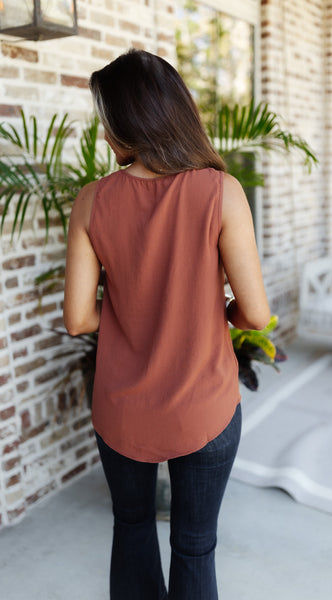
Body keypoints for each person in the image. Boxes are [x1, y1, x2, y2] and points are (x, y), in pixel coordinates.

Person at [63, 48, 270, 600]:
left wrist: (135, 312)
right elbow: (255, 313)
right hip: (205, 403)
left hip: (122, 406)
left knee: (131, 530)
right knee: (195, 546)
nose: (105, 133)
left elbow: (79, 318)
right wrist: (205, 311)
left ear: (133, 121)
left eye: (108, 118)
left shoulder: (91, 202)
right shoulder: (220, 192)